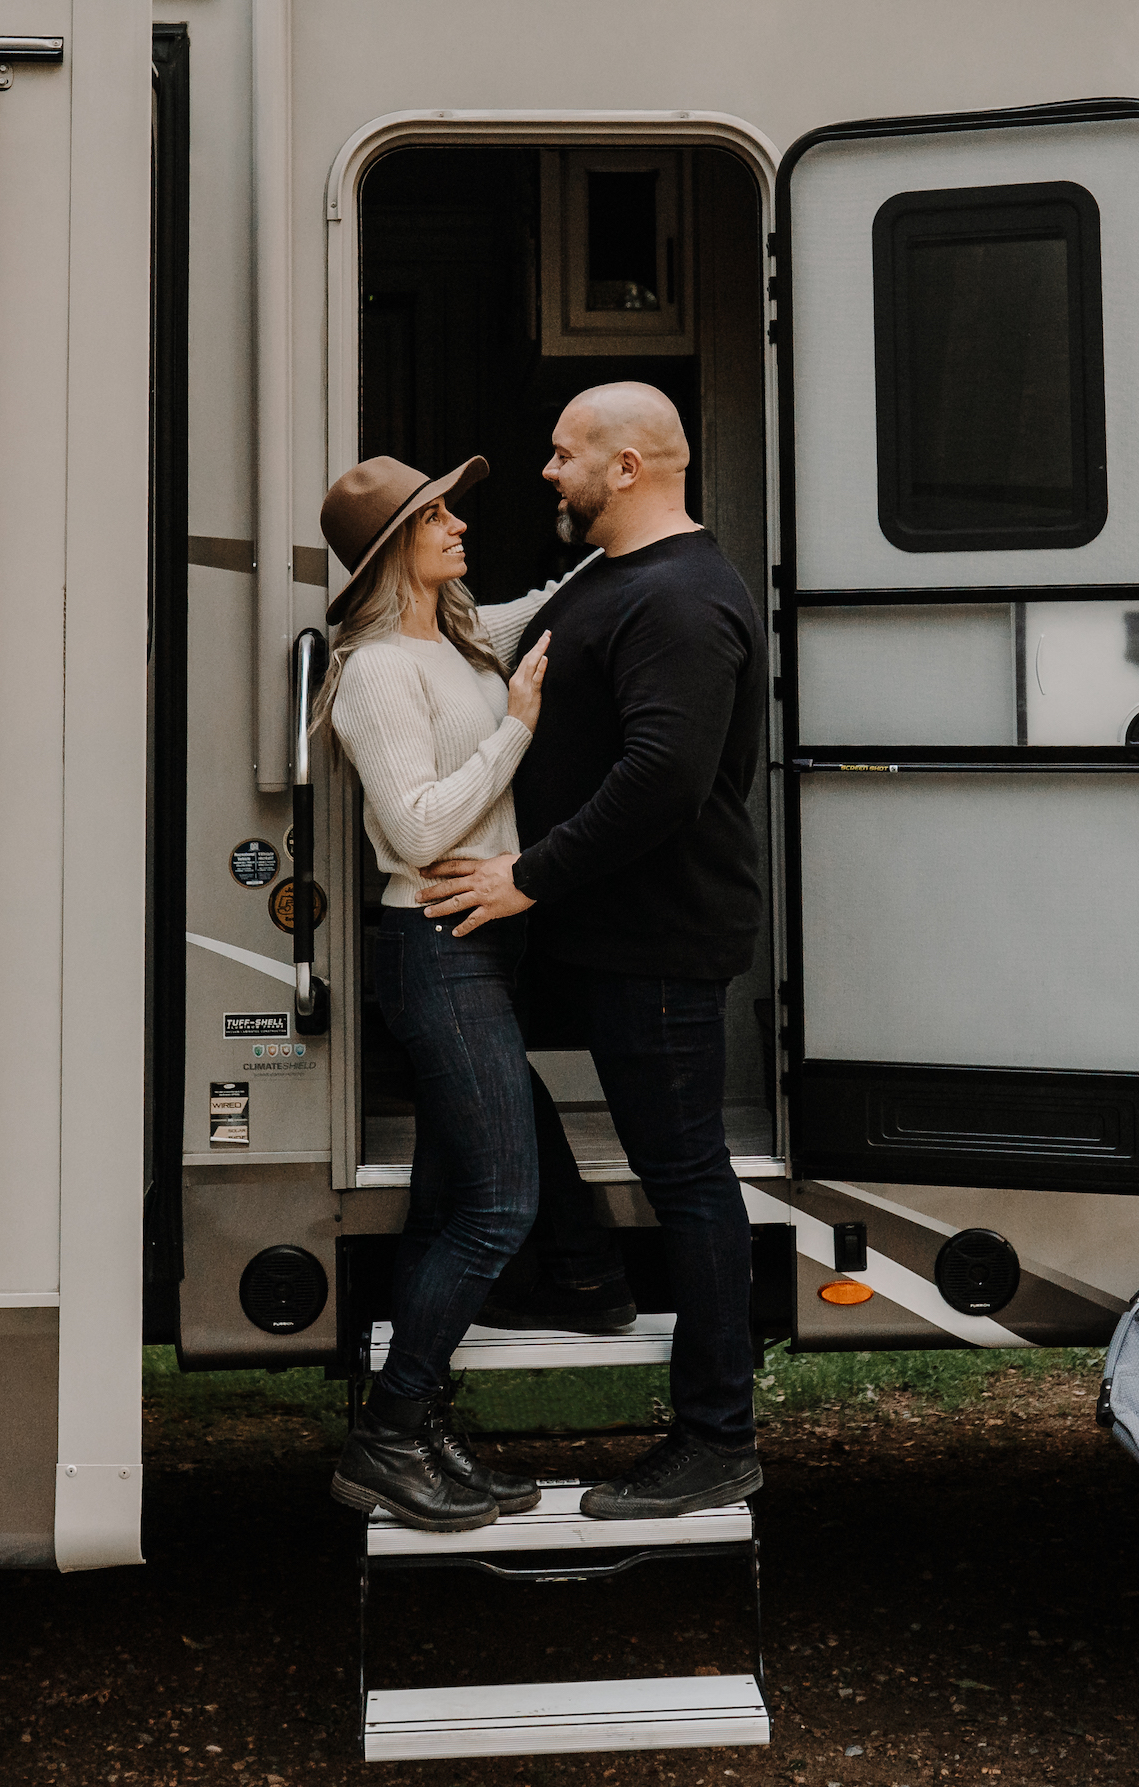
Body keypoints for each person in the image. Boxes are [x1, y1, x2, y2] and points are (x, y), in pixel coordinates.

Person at [418, 381, 768, 1521]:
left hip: (659, 943)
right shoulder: (612, 578)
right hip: (605, 933)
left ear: (627, 468)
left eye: (566, 453)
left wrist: (527, 875)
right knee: (466, 1072)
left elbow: (663, 779)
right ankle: (577, 1272)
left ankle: (716, 1437)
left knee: (689, 1180)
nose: (547, 470)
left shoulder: (680, 597)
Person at [311, 451, 568, 1532]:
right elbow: (416, 826)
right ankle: (389, 1432)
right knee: (502, 1205)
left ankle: (416, 1431)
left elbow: (544, 604)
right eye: (436, 515)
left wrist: (625, 526)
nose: (459, 523)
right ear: (393, 551)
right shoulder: (376, 667)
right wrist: (516, 725)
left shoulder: (455, 642)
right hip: (431, 944)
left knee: (446, 1202)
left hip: (474, 945)